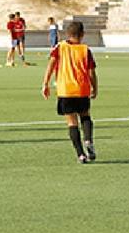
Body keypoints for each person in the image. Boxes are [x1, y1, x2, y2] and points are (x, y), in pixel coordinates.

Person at [41, 20, 99, 164]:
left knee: (72, 122)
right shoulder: (85, 50)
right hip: (82, 90)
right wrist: (95, 87)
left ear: (67, 34)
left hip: (65, 90)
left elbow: (51, 65)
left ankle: (80, 154)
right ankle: (88, 140)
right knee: (85, 116)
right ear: (83, 34)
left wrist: (45, 83)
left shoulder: (60, 47)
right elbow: (91, 72)